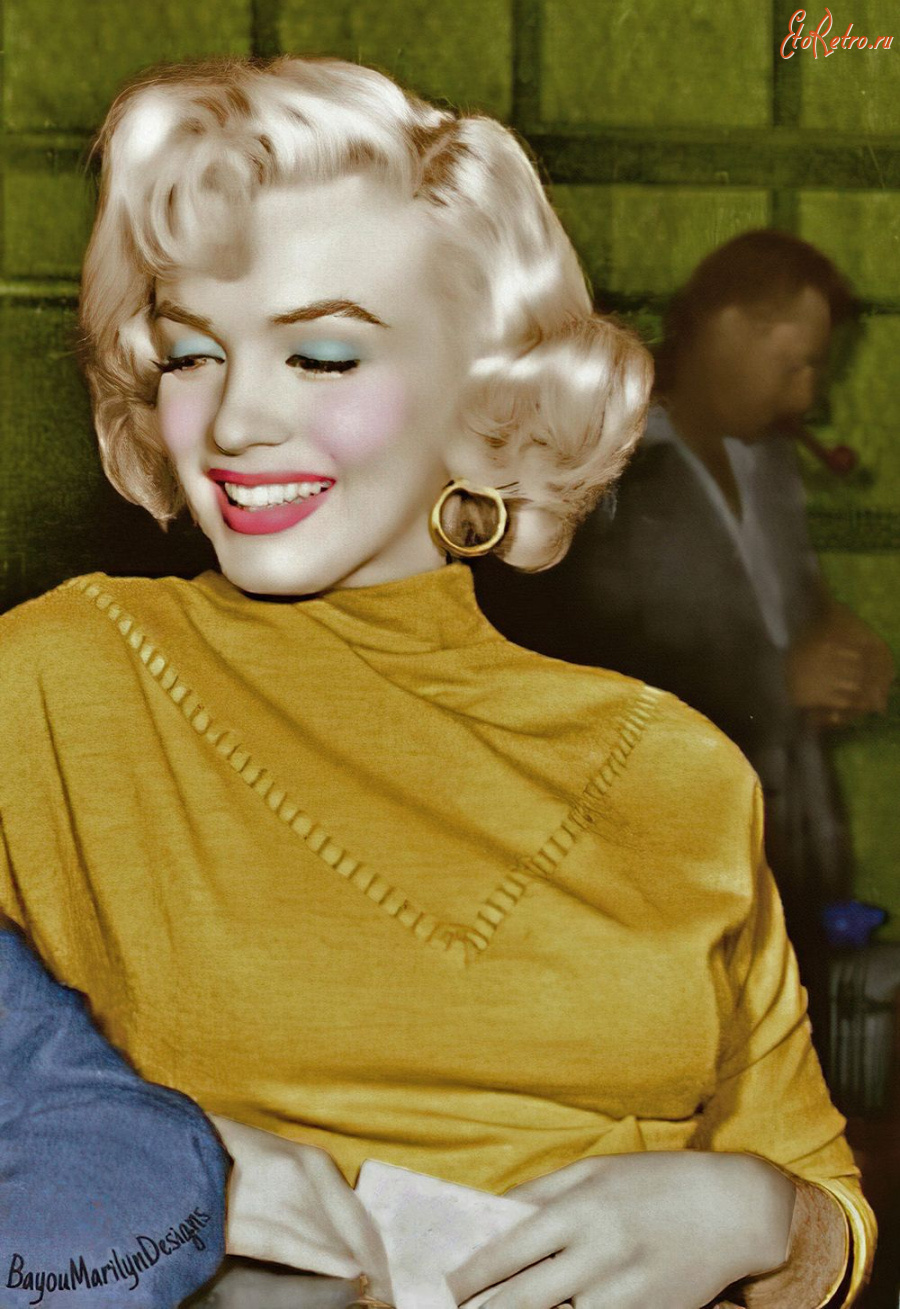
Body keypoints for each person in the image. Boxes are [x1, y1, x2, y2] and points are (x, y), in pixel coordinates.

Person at [0, 59, 875, 1308]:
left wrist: (762, 1218)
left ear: (487, 393)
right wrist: (150, 1175)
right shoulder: (60, 680)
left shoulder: (682, 768)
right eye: (191, 354)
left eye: (322, 356)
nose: (236, 421)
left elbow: (825, 1196)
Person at [474, 230, 895, 1031]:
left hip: (776, 850)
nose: (807, 395)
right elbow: (575, 656)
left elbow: (785, 602)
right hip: (651, 856)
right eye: (795, 365)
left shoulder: (766, 460)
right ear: (729, 326)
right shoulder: (600, 461)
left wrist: (843, 639)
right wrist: (778, 680)